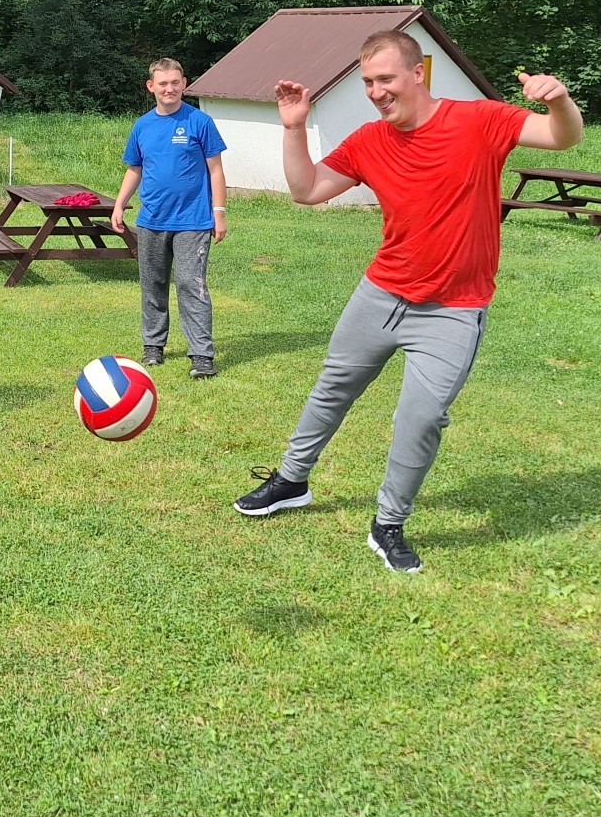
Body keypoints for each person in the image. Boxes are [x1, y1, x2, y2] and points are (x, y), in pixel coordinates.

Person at [231, 31, 583, 573]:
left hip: (453, 309)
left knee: (420, 418)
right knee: (332, 389)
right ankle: (291, 481)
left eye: (386, 79)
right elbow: (307, 191)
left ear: (419, 73)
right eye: (368, 82)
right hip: (380, 294)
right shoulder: (370, 140)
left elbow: (562, 137)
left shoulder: (479, 120)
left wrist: (559, 100)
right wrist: (295, 128)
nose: (376, 92)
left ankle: (389, 523)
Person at [109, 59, 228, 378]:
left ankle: (201, 355)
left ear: (184, 83)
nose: (169, 89)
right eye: (163, 83)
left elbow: (216, 170)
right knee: (153, 284)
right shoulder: (142, 126)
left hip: (193, 220)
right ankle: (153, 346)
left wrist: (219, 212)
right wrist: (119, 205)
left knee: (191, 283)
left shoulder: (200, 122)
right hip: (151, 220)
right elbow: (135, 169)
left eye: (175, 82)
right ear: (151, 87)